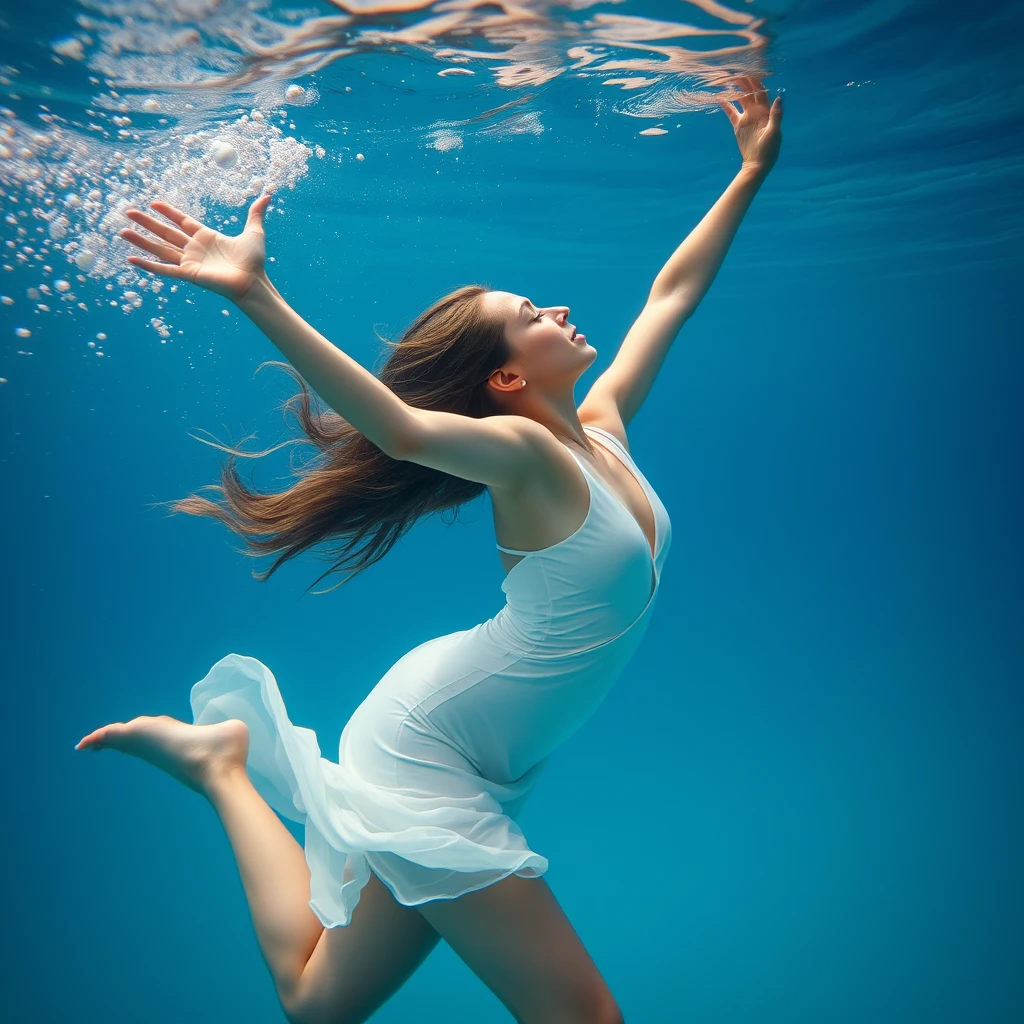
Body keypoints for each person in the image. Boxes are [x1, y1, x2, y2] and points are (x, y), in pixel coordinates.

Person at [76, 78, 782, 1024]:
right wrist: (256, 294)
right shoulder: (526, 455)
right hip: (429, 754)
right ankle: (220, 766)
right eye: (534, 313)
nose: (560, 308)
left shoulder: (601, 429)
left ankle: (219, 766)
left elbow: (673, 294)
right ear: (506, 377)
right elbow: (404, 431)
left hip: (481, 752)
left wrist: (749, 173)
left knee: (318, 1004)